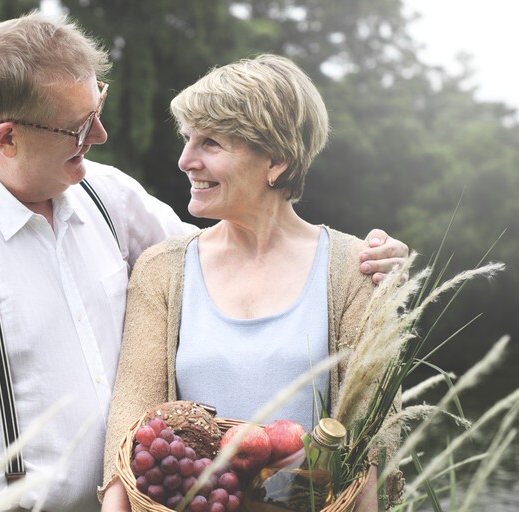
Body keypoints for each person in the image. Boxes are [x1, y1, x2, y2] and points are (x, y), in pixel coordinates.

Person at [0, 12, 406, 512]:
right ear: (7, 138)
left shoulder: (105, 196)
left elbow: (233, 256)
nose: (102, 135)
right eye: (81, 127)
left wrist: (372, 262)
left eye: (98, 105)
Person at [100, 54, 402, 510]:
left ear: (277, 161)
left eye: (211, 144)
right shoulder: (162, 270)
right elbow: (130, 428)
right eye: (187, 140)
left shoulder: (355, 271)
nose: (185, 160)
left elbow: (370, 449)